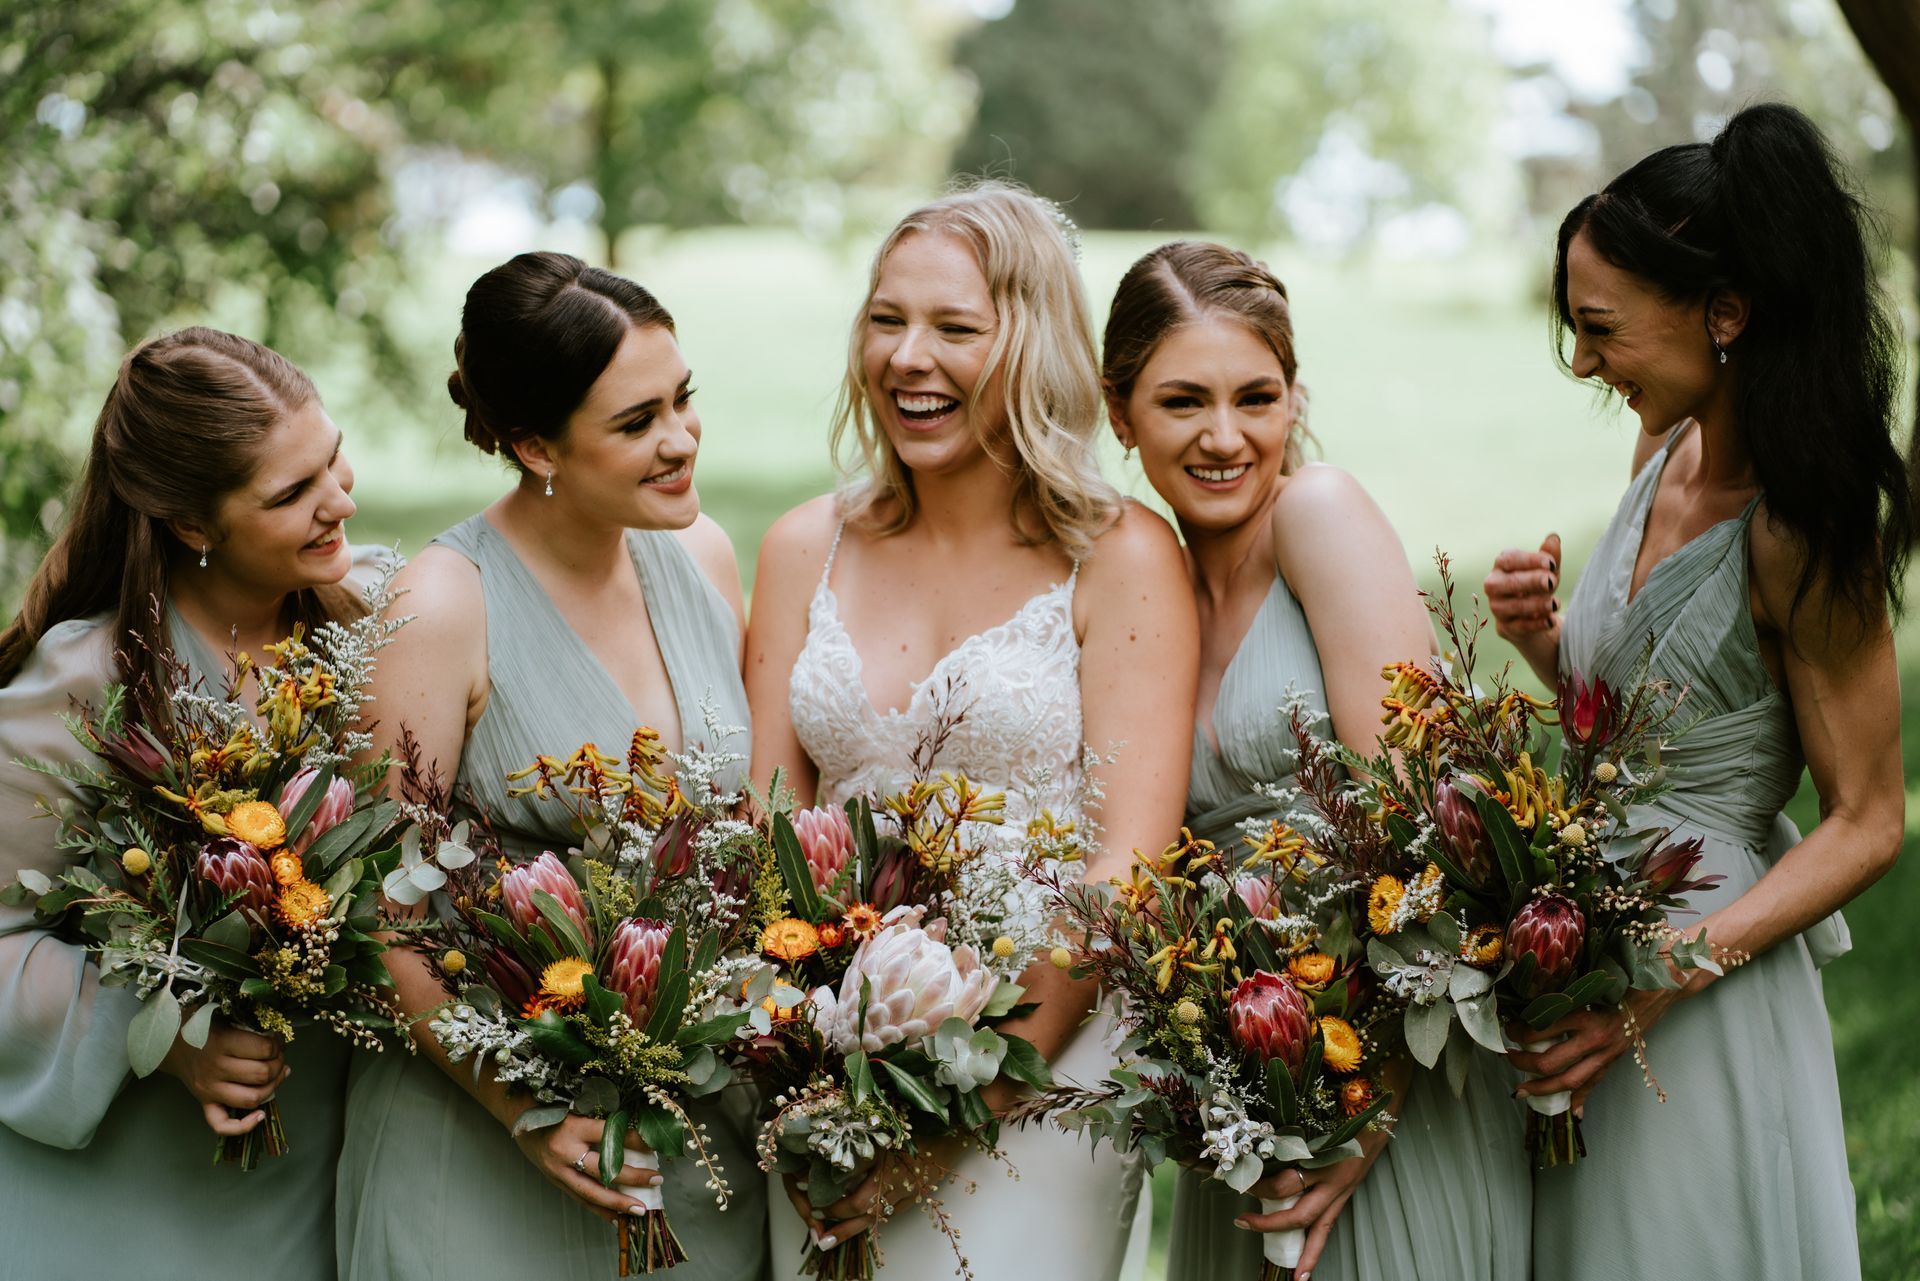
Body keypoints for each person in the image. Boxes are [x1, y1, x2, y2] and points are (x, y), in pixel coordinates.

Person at [1483, 102, 1907, 1281]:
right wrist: (1544, 643)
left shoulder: (1802, 530)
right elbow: (1641, 731)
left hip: (1701, 981)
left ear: (1723, 314)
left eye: (1601, 329)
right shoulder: (1660, 452)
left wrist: (1665, 977)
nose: (1583, 363)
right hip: (1587, 949)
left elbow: (1872, 818)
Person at [746, 181, 1199, 1280]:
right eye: (887, 319)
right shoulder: (806, 544)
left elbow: (1129, 866)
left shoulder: (1121, 555)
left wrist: (974, 1103)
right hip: (828, 1072)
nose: (908, 357)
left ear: (1033, 347)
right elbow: (761, 840)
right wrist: (810, 1059)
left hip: (1049, 1069)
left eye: (955, 327)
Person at [333, 252, 765, 1280]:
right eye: (636, 423)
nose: (681, 441)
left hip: (689, 1141)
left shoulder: (700, 553)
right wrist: (520, 1105)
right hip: (492, 1149)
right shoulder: (443, 605)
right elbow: (379, 907)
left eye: (683, 400)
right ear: (535, 444)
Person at [1105, 241, 1532, 1281]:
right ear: (1118, 413)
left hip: (1392, 1081)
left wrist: (1362, 1117)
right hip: (1252, 1096)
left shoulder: (1317, 514)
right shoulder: (1141, 581)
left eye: (1256, 397)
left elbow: (1439, 835)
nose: (1224, 436)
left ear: (1296, 400)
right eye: (1181, 402)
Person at [0, 327, 375, 1278]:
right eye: (291, 494)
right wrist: (164, 1039)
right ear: (194, 526)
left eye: (331, 458)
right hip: (137, 1187)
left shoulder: (372, 629)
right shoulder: (87, 683)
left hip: (330, 1152)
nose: (339, 502)